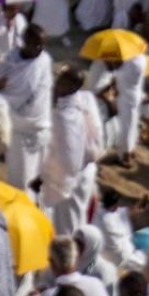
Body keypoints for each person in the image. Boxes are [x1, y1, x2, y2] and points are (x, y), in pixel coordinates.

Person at [40, 69, 102, 237]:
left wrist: (62, 180)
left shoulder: (66, 117)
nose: (56, 84)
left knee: (67, 225)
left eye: (61, 82)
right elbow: (97, 135)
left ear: (71, 86)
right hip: (86, 168)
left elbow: (70, 160)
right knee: (76, 216)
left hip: (71, 178)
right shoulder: (87, 98)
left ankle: (70, 258)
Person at [0, 24, 55, 190]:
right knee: (21, 180)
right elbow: (1, 90)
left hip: (41, 127)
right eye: (36, 44)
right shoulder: (10, 61)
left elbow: (44, 90)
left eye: (43, 44)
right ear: (25, 42)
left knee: (41, 178)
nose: (40, 48)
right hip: (17, 130)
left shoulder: (45, 60)